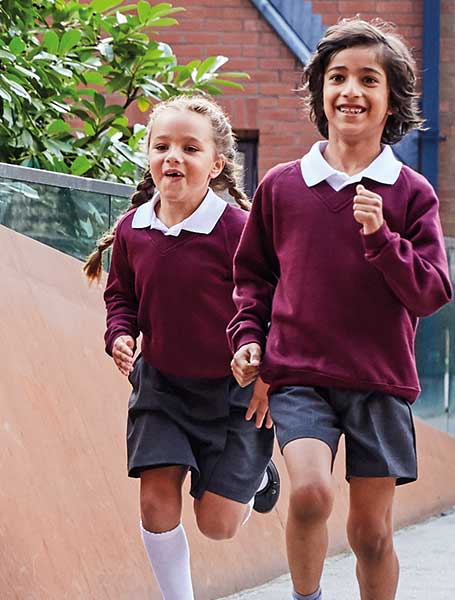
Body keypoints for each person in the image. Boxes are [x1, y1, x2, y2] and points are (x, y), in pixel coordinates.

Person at [229, 18, 454, 600]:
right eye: (337, 77)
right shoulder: (281, 186)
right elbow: (253, 278)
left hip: (380, 383)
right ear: (320, 93)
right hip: (300, 375)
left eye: (368, 79)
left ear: (391, 101)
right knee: (309, 496)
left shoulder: (411, 193)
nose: (351, 90)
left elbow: (431, 291)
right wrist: (248, 337)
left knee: (371, 534)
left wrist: (383, 241)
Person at [86, 95, 281, 600]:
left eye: (190, 147)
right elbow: (121, 296)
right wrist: (120, 334)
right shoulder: (133, 231)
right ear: (149, 156)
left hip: (232, 396)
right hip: (162, 389)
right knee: (155, 502)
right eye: (162, 145)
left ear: (216, 164)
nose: (173, 156)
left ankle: (259, 479)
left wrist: (265, 367)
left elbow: (273, 302)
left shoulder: (239, 231)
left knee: (217, 524)